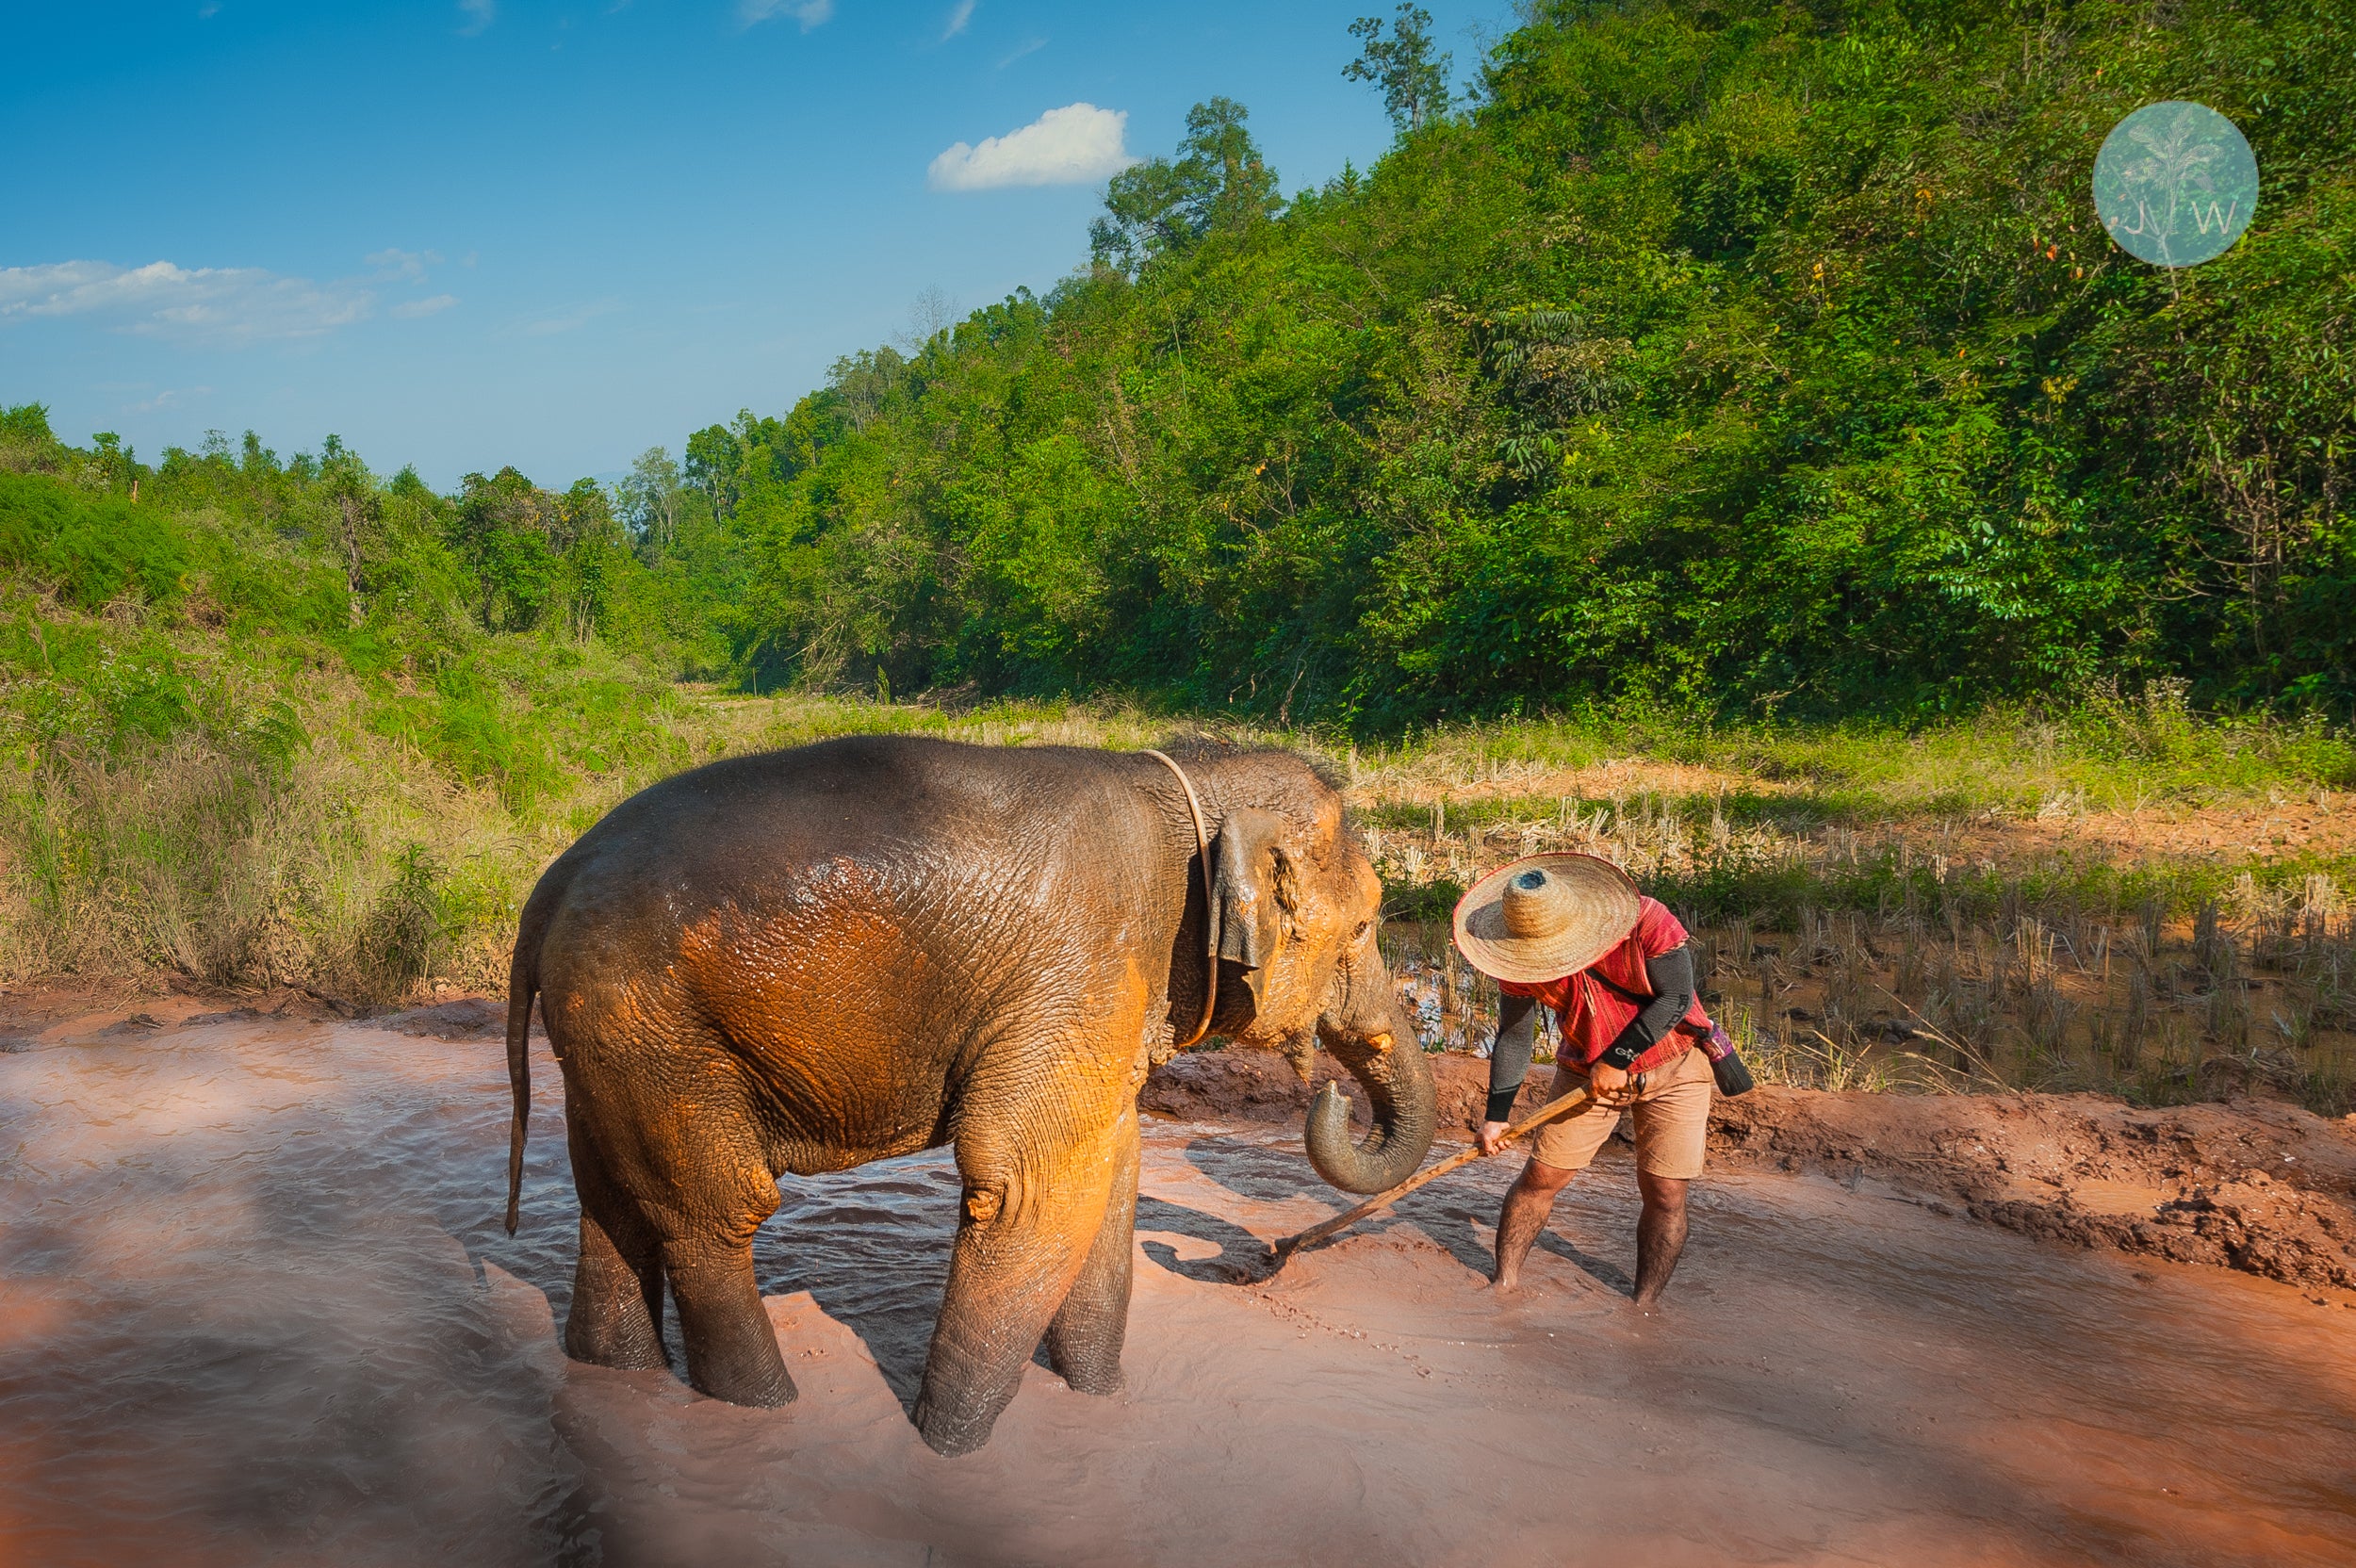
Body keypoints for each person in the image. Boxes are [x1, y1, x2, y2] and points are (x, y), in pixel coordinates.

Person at [1451, 853, 1720, 1308]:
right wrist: (1496, 1117)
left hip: (1675, 1065)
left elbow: (1676, 997)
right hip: (1584, 1069)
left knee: (1666, 1192)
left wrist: (1618, 1058)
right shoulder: (1516, 954)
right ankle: (1504, 1285)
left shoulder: (1647, 921)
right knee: (1541, 1177)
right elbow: (1515, 1037)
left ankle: (1643, 1305)